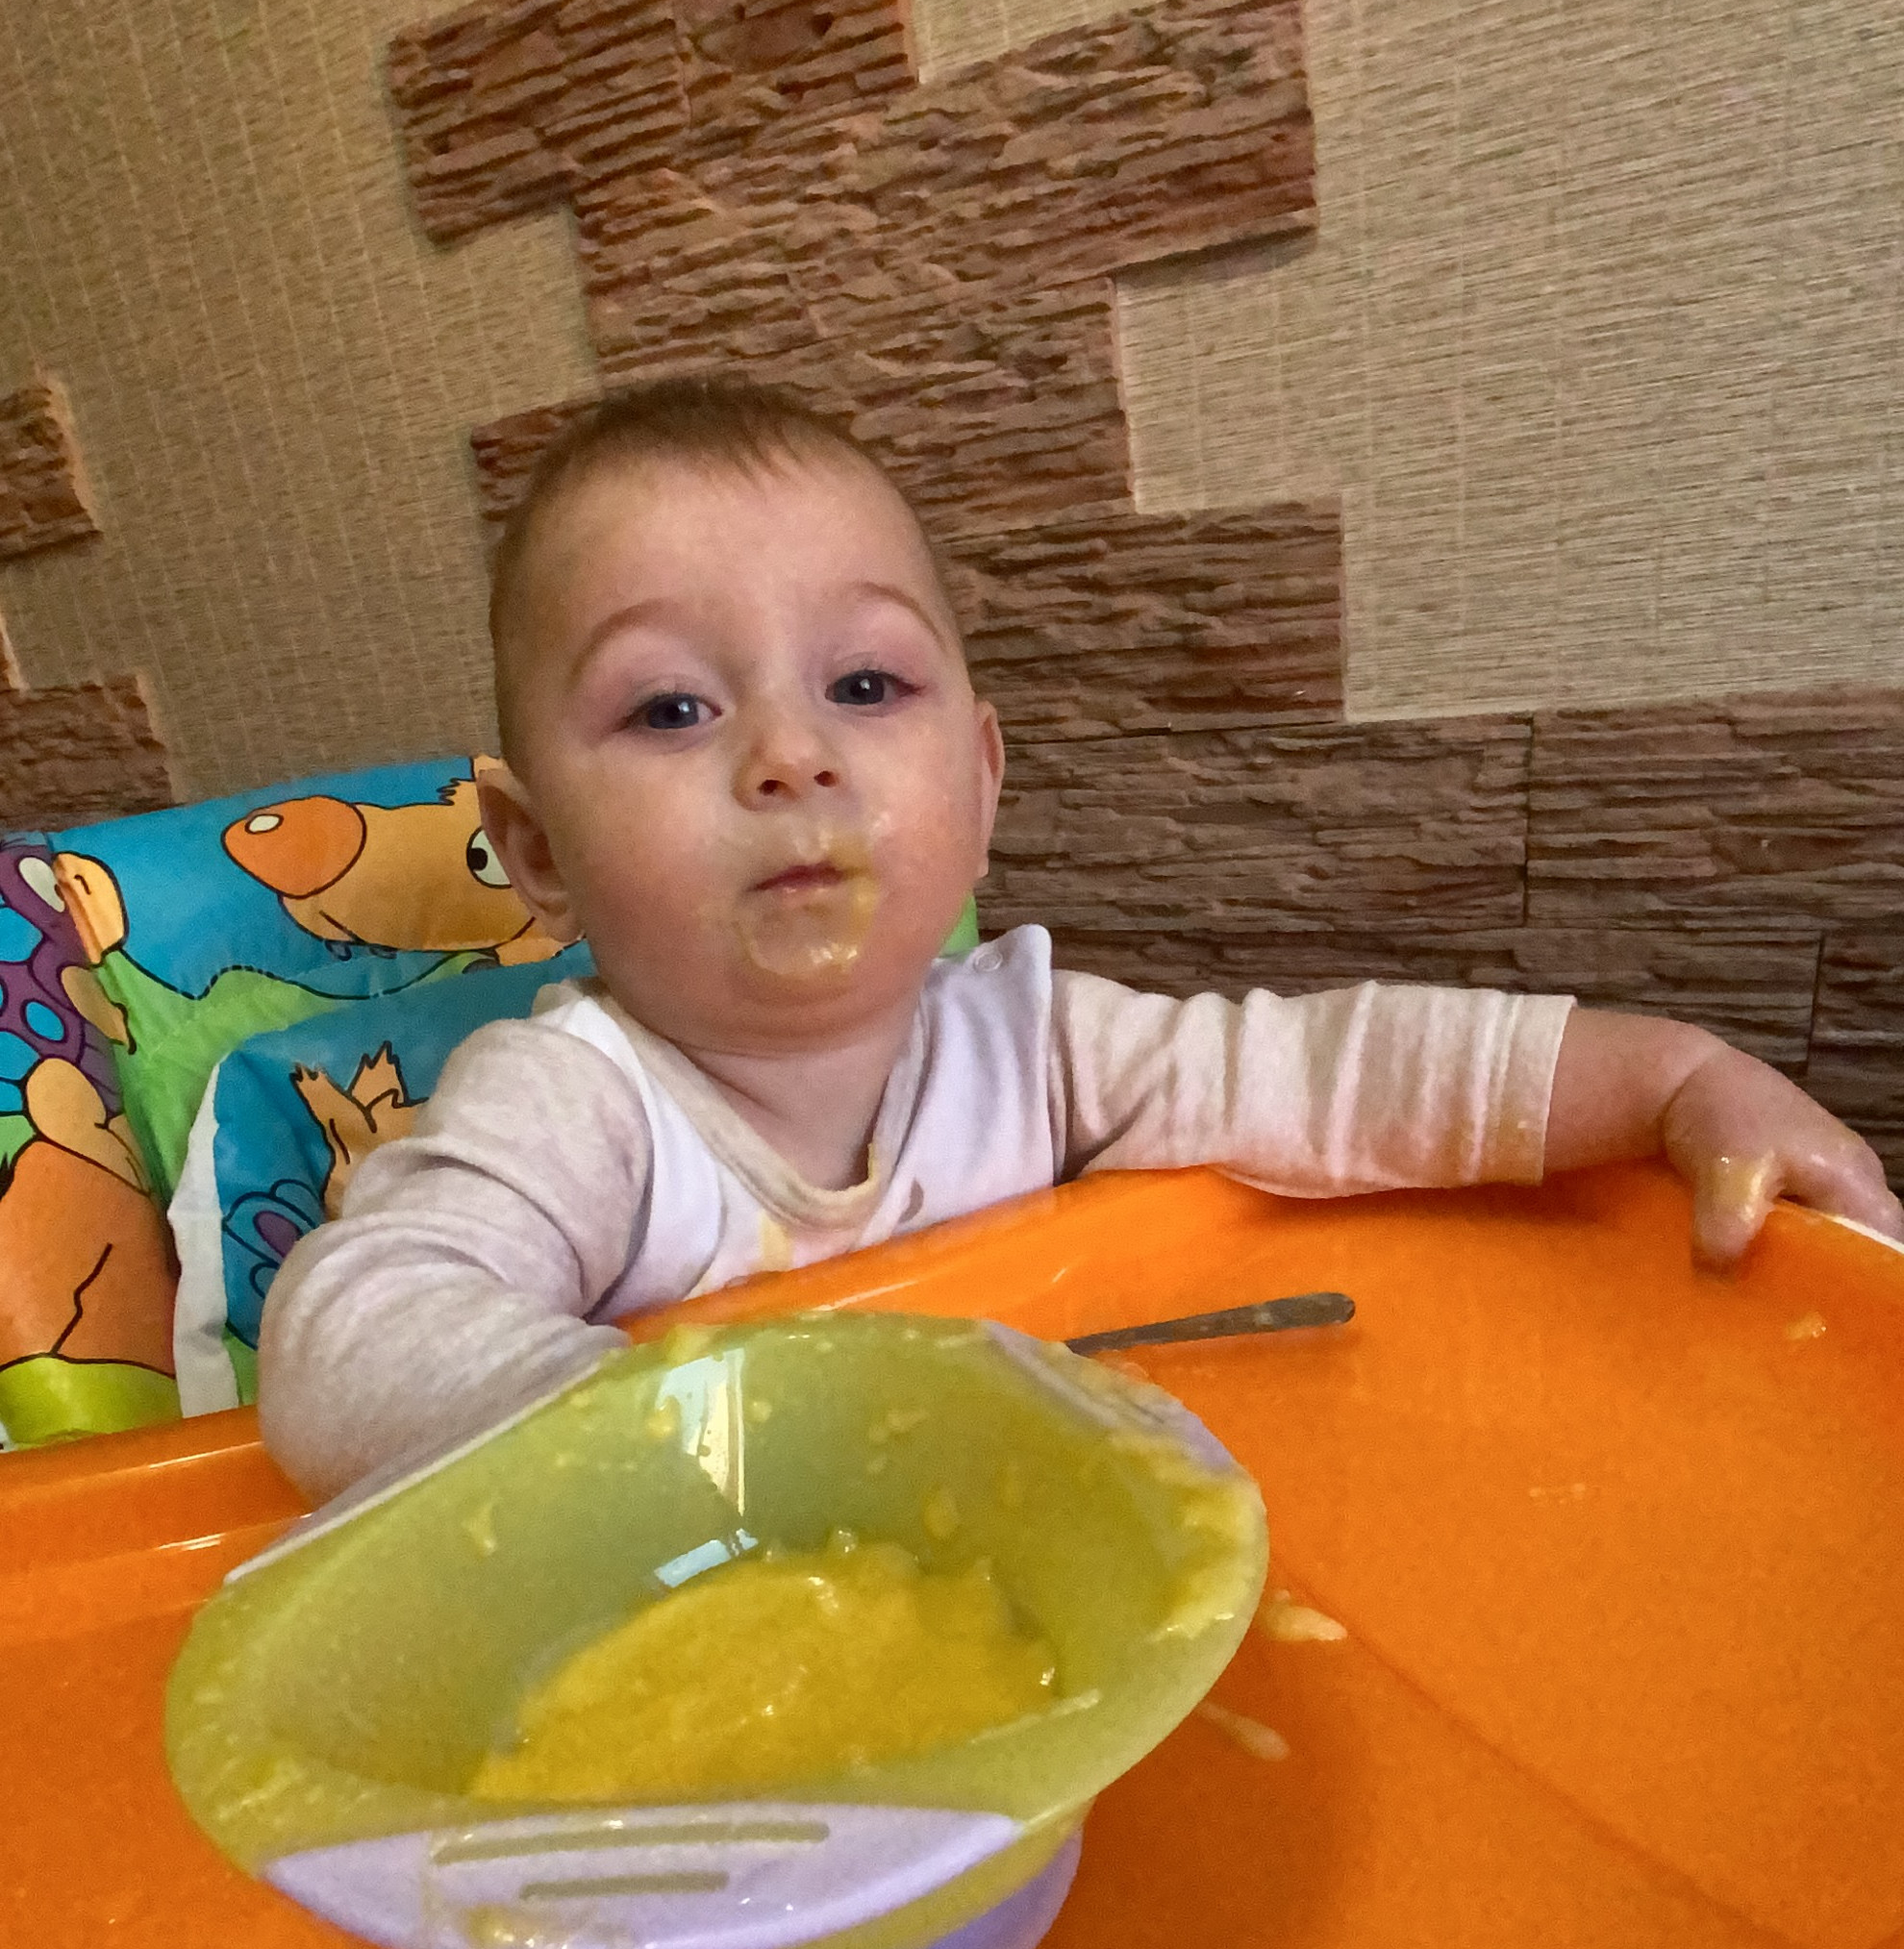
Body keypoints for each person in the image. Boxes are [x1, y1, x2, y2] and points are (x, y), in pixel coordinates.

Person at [257, 379, 1903, 1502]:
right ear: (539, 852)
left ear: (981, 787)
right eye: (674, 707)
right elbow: (349, 1339)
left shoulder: (1034, 1046)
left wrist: (1671, 1079)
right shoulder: (579, 1106)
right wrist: (672, 1438)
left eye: (865, 685)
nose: (790, 756)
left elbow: (1336, 1077)